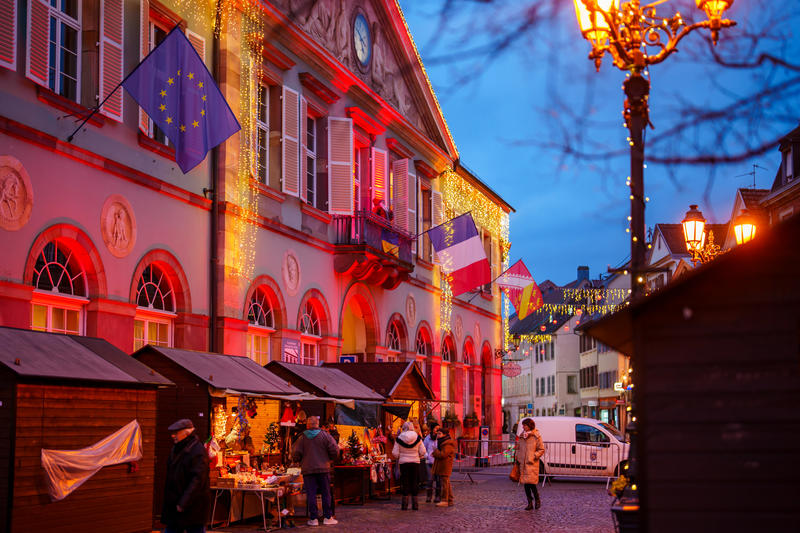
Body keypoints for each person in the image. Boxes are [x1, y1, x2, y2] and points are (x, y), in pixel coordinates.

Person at [162, 419, 210, 533]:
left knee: (194, 529)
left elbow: (197, 480)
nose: (173, 435)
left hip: (192, 507)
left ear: (187, 433)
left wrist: (183, 502)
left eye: (176, 433)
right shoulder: (177, 448)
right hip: (177, 504)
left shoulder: (197, 450)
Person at [292, 416, 339, 526]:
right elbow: (335, 449)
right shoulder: (325, 436)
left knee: (311, 494)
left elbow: (295, 453)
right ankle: (328, 517)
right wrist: (330, 458)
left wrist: (298, 460)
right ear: (318, 424)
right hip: (323, 469)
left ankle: (313, 519)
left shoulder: (302, 438)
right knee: (326, 493)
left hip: (308, 470)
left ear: (307, 425)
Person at [391, 421, 427, 510]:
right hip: (415, 462)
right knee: (414, 481)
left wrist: (400, 456)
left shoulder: (399, 438)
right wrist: (418, 455)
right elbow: (423, 451)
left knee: (405, 482)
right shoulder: (417, 437)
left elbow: (395, 453)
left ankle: (404, 505)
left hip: (404, 463)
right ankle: (415, 504)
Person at [515, 418, 545, 510]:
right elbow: (518, 448)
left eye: (525, 425)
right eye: (523, 425)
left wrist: (533, 456)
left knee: (532, 484)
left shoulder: (536, 436)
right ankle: (530, 503)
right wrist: (518, 457)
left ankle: (537, 500)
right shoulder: (522, 436)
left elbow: (541, 449)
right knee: (526, 484)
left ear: (529, 426)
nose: (523, 427)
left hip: (531, 464)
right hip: (523, 463)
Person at [432, 427, 456, 507]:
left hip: (445, 465)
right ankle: (450, 500)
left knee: (445, 484)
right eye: (437, 434)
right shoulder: (442, 442)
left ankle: (445, 500)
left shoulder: (447, 443)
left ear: (444, 434)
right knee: (446, 483)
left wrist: (435, 451)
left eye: (439, 434)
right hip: (443, 465)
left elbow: (443, 454)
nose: (438, 435)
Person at [423, 422, 441, 503]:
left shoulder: (440, 438)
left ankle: (437, 496)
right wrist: (427, 456)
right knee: (429, 479)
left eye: (438, 428)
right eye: (436, 428)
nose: (437, 430)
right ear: (432, 429)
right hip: (429, 462)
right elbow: (424, 449)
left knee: (438, 480)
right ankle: (429, 496)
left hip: (437, 462)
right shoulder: (427, 438)